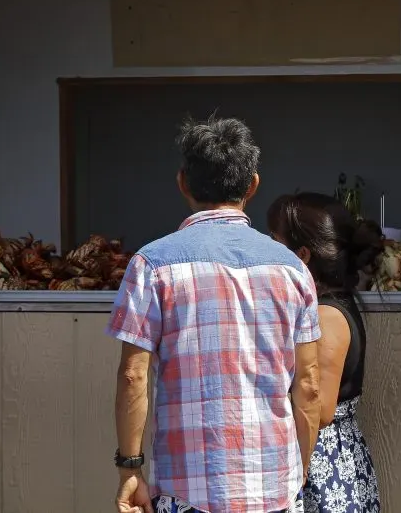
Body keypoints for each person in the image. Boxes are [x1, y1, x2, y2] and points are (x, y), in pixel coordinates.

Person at [107, 115, 322, 513]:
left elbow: (133, 375)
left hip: (186, 490)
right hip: (275, 488)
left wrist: (130, 469)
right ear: (252, 185)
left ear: (183, 183)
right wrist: (298, 469)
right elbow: (307, 385)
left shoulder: (152, 265)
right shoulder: (294, 269)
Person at [268, 193, 383, 513]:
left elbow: (320, 407)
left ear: (302, 255)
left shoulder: (326, 316)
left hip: (323, 468)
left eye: (275, 242)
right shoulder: (325, 307)